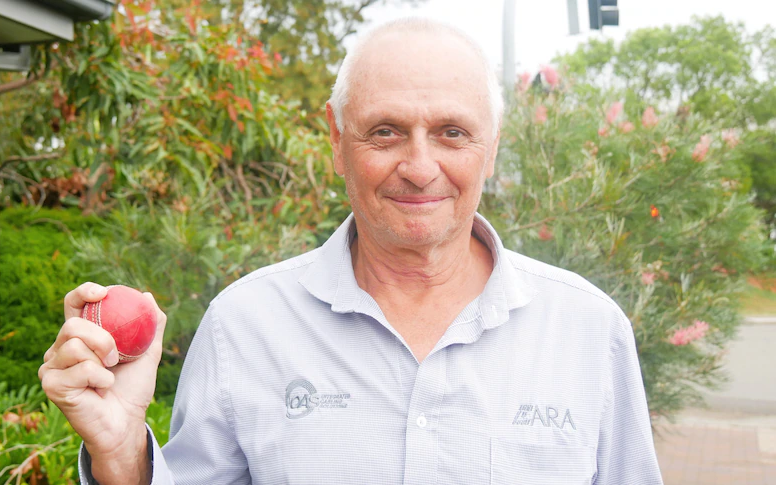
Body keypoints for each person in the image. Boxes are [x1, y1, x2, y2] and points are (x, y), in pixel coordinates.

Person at [39, 18, 663, 485]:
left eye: (452, 133)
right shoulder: (245, 325)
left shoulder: (588, 328)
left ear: (491, 147)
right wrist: (121, 457)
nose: (420, 168)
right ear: (338, 141)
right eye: (385, 132)